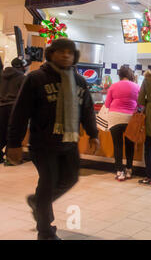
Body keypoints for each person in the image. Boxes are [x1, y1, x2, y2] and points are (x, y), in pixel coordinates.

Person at [6, 38, 99, 240]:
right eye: (60, 51)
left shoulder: (80, 81)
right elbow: (20, 112)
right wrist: (13, 143)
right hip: (43, 144)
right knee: (47, 185)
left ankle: (37, 202)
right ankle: (45, 230)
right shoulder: (36, 78)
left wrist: (93, 133)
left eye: (70, 52)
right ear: (51, 54)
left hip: (69, 142)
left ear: (75, 56)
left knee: (71, 178)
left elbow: (88, 110)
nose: (66, 55)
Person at [105, 65, 140, 181]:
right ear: (130, 75)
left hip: (115, 117)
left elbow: (107, 104)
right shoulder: (136, 86)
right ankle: (129, 170)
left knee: (117, 145)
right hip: (130, 118)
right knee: (129, 144)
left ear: (120, 75)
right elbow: (141, 105)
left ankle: (119, 171)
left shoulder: (113, 86)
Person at [0, 57, 30, 164]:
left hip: (1, 107)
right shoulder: (23, 78)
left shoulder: (2, 76)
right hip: (15, 109)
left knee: (1, 134)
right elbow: (25, 96)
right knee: (15, 134)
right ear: (22, 66)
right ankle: (11, 159)